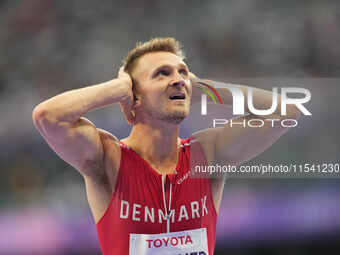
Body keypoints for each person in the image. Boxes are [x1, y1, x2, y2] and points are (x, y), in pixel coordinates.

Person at [32, 37, 301, 255]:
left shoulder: (206, 154)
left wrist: (205, 89)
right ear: (133, 95)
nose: (179, 80)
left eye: (183, 72)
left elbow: (288, 111)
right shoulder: (107, 158)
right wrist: (117, 89)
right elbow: (48, 116)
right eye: (162, 74)